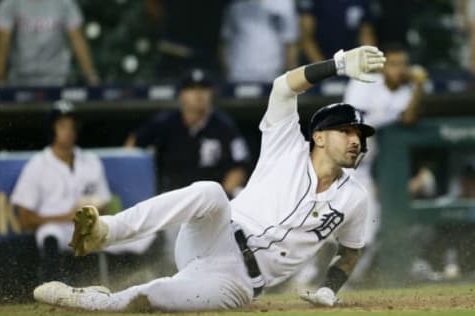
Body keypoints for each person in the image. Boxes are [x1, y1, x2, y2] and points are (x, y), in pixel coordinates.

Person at [33, 45, 385, 312]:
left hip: (239, 282)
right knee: (210, 191)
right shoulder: (287, 146)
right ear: (319, 137)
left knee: (149, 299)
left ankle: (91, 300)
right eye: (345, 131)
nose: (356, 140)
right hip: (215, 233)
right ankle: (105, 231)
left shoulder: (354, 197)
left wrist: (329, 288)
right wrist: (337, 65)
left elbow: (351, 251)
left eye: (360, 134)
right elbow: (282, 87)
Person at [343, 43, 427, 278]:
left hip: (362, 170)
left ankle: (340, 285)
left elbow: (409, 119)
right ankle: (299, 278)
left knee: (367, 229)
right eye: (393, 64)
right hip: (335, 163)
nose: (399, 69)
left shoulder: (404, 92)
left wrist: (419, 86)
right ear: (381, 67)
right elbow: (354, 124)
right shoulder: (362, 83)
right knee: (321, 225)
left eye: (403, 65)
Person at [10, 100, 111, 281]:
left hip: (86, 227)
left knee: (128, 234)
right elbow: (24, 219)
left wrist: (89, 214)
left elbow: (104, 203)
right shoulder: (37, 165)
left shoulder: (91, 161)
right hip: (53, 228)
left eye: (72, 126)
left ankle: (120, 282)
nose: (69, 131)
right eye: (62, 125)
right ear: (52, 129)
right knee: (50, 233)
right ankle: (52, 286)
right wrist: (67, 216)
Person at [125, 68, 251, 197]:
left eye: (203, 88)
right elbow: (133, 145)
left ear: (212, 93)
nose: (198, 94)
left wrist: (223, 197)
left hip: (209, 202)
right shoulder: (165, 123)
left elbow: (239, 166)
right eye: (191, 89)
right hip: (171, 198)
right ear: (181, 94)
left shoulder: (224, 126)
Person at [0, 0, 99, 86]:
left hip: (58, 77)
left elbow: (77, 40)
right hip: (20, 77)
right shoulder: (10, 4)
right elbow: (3, 43)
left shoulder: (65, 3)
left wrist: (90, 74)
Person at [220, 0, 299, 83]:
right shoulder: (234, 6)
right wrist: (227, 72)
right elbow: (224, 43)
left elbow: (290, 45)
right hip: (237, 76)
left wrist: (291, 81)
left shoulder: (284, 4)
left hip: (272, 76)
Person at [298, 0, 376, 63]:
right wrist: (323, 70)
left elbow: (366, 34)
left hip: (351, 63)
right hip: (318, 63)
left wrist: (370, 61)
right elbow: (306, 38)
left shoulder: (363, 2)